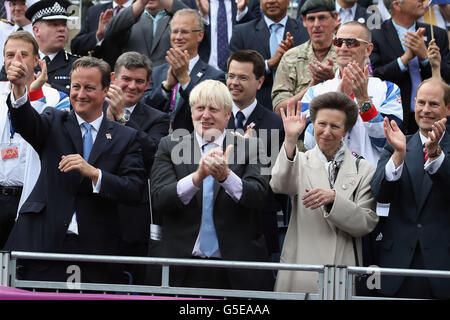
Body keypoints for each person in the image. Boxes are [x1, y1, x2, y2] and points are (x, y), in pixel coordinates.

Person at [4, 56, 146, 284]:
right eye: (76, 87)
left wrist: (94, 173)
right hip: (44, 243)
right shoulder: (53, 120)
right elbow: (25, 122)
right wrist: (20, 89)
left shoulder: (125, 136)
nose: (80, 95)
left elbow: (133, 189)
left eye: (89, 88)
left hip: (97, 250)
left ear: (105, 91)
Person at [149, 79, 274, 290]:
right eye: (199, 108)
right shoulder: (169, 145)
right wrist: (197, 178)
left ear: (227, 115)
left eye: (213, 109)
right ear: (191, 112)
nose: (205, 115)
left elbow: (259, 197)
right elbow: (160, 197)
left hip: (236, 270)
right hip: (180, 267)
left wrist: (226, 177)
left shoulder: (253, 147)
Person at [270, 91, 378, 293]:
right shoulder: (298, 160)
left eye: (335, 126)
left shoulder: (364, 169)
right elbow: (280, 185)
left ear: (346, 131)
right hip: (301, 270)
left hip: (341, 271)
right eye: (321, 124)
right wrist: (291, 139)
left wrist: (334, 200)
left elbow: (366, 222)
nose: (327, 131)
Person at [370, 78, 450, 299]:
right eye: (421, 102)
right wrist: (398, 155)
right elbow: (379, 194)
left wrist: (435, 154)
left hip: (443, 266)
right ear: (414, 103)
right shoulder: (397, 143)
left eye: (433, 104)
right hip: (398, 267)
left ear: (448, 108)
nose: (425, 110)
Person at [0, 31, 69, 250]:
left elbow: (42, 132)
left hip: (30, 197)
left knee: (18, 268)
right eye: (10, 55)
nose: (16, 60)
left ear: (37, 60)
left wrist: (33, 93)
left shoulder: (57, 98)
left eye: (24, 54)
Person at [105, 51, 170, 284]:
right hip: (95, 214)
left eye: (139, 81)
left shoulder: (158, 118)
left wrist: (122, 117)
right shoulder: (90, 106)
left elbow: (153, 153)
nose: (132, 86)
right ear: (113, 78)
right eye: (126, 79)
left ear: (148, 84)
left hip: (133, 219)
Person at [302, 21, 403, 166]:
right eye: (338, 42)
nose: (343, 48)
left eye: (351, 42)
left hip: (369, 178)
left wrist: (364, 100)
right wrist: (337, 101)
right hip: (327, 177)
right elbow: (310, 143)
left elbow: (386, 143)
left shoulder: (388, 90)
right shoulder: (315, 92)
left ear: (368, 49)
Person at [225, 49, 286, 261]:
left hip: (258, 226)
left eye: (242, 77)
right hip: (220, 223)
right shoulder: (213, 118)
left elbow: (273, 178)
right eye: (231, 76)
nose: (234, 82)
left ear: (259, 82)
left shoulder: (276, 124)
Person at [370, 0, 450, 135]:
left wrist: (425, 57)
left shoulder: (437, 34)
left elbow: (447, 77)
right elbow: (375, 77)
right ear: (396, 4)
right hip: (396, 116)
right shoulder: (376, 35)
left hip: (433, 116)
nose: (421, 0)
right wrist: (404, 60)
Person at [142, 8, 225, 132]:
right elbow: (143, 110)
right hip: (157, 144)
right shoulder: (155, 73)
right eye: (175, 31)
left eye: (185, 32)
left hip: (192, 145)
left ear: (200, 35)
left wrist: (184, 79)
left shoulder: (215, 77)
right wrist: (166, 87)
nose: (178, 37)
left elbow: (209, 112)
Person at [228, 0, 309, 110]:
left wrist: (291, 56)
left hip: (297, 109)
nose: (271, 1)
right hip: (255, 109)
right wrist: (269, 64)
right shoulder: (242, 32)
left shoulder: (306, 31)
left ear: (289, 1)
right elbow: (230, 70)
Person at [272, 0, 339, 114]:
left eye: (322, 18)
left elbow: (363, 98)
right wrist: (312, 87)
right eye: (311, 19)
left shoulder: (349, 52)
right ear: (304, 21)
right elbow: (279, 110)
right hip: (299, 128)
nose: (316, 24)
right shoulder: (290, 57)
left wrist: (333, 81)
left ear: (335, 18)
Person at [104, 0, 187, 68]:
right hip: (134, 80)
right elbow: (109, 32)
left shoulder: (177, 18)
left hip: (168, 80)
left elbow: (196, 23)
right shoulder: (131, 18)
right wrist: (140, 2)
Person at [183, 0, 261, 71]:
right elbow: (185, 34)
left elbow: (257, 32)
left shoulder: (250, 2)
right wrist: (203, 17)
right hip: (203, 72)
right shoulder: (192, 2)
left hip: (239, 70)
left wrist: (242, 12)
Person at [70, 0, 133, 69]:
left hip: (132, 72)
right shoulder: (95, 11)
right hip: (101, 75)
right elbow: (76, 46)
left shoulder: (143, 9)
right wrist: (98, 35)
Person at [0, 0, 37, 68]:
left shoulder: (41, 35)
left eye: (23, 4)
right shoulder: (3, 31)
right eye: (13, 4)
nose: (17, 8)